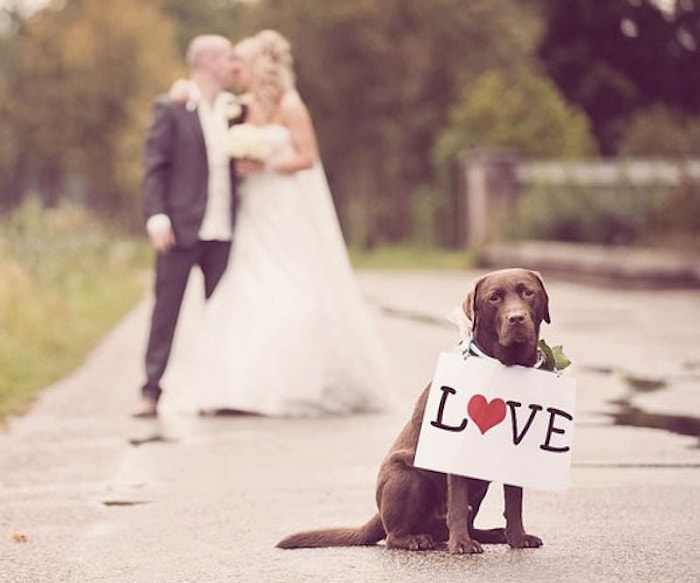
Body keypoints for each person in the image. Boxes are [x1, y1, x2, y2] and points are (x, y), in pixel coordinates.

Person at [159, 30, 391, 417]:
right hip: (253, 212)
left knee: (293, 292)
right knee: (244, 290)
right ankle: (236, 387)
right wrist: (181, 86)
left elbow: (308, 158)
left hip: (285, 209)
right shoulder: (240, 106)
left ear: (258, 68)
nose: (235, 70)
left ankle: (299, 382)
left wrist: (266, 164)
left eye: (241, 65)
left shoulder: (290, 105)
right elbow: (203, 105)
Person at [133, 34, 245, 418]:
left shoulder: (235, 109)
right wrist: (157, 215)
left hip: (225, 231)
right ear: (207, 62)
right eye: (227, 56)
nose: (233, 63)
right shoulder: (171, 107)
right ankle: (150, 392)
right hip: (179, 228)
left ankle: (221, 391)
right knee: (166, 311)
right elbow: (154, 167)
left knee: (224, 314)